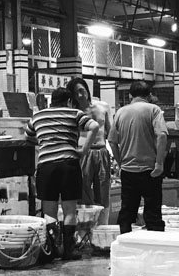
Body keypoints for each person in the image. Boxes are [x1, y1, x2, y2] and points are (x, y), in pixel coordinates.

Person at [25, 87, 99, 260]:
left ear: (51, 101)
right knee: (69, 209)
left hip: (46, 166)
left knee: (49, 211)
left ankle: (51, 250)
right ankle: (68, 250)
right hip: (69, 164)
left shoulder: (38, 116)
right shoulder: (74, 113)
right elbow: (94, 126)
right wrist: (84, 150)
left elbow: (27, 137)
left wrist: (45, 141)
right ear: (68, 101)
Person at [108, 80, 168, 234]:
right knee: (153, 213)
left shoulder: (121, 112)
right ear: (149, 95)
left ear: (129, 95)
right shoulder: (154, 110)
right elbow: (161, 136)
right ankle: (155, 250)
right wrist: (159, 163)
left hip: (128, 171)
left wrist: (121, 162)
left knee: (127, 212)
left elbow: (112, 141)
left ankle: (125, 247)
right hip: (150, 170)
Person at [67, 76, 112, 224]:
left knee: (104, 190)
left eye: (81, 90)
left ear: (87, 89)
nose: (80, 95)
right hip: (82, 153)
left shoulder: (103, 106)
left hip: (101, 151)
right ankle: (85, 228)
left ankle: (103, 226)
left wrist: (113, 153)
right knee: (83, 189)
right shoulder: (73, 112)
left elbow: (110, 132)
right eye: (76, 93)